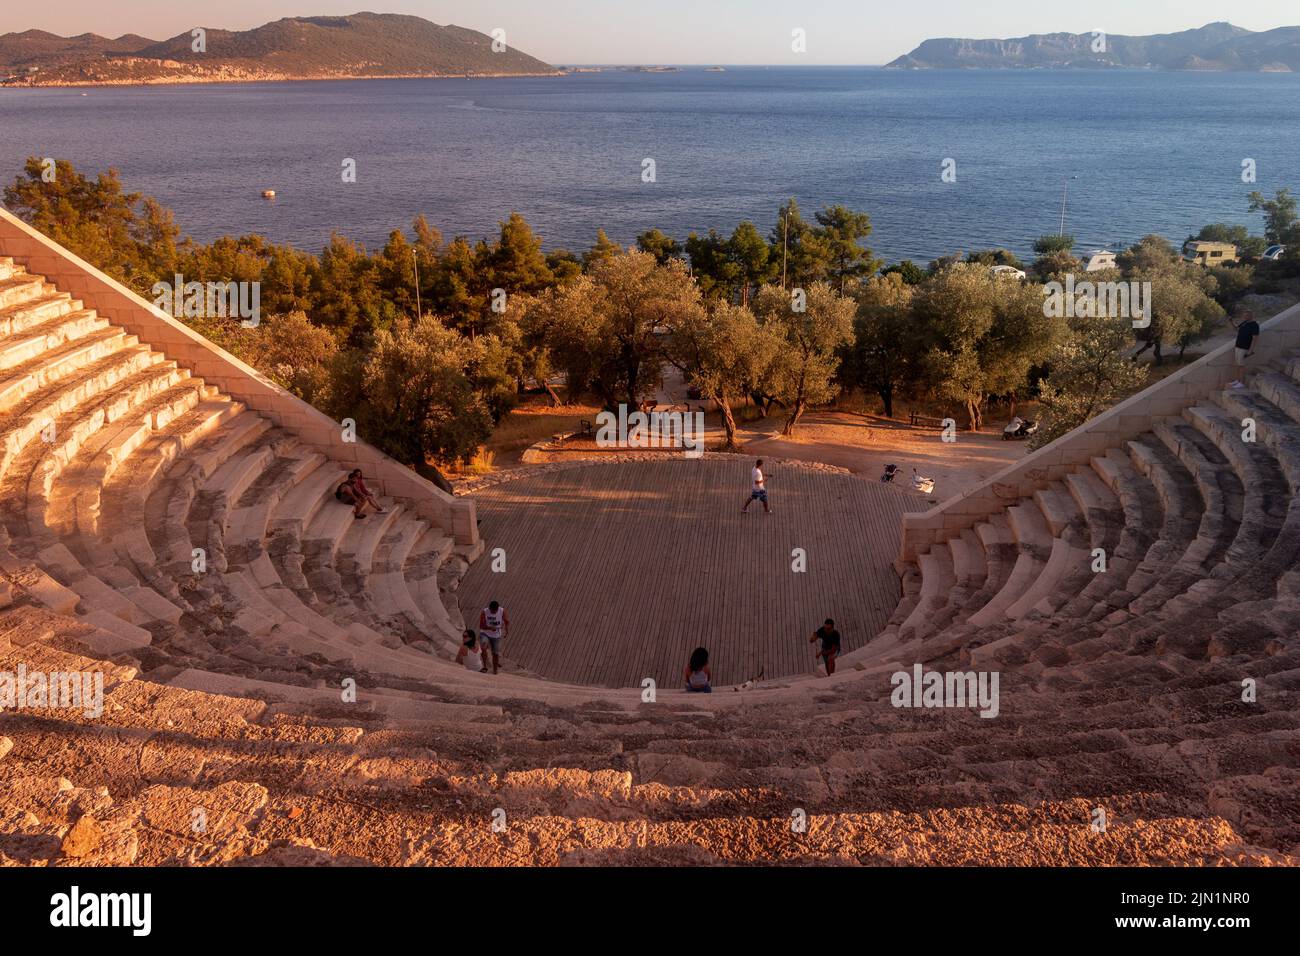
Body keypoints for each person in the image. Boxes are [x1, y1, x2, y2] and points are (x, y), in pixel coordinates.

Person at [478, 600, 508, 674]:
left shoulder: (502, 611)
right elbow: (481, 625)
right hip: (485, 633)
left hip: (496, 635)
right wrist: (491, 628)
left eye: (495, 611)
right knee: (483, 647)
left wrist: (507, 630)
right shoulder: (484, 612)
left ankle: (495, 670)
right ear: (489, 608)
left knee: (495, 653)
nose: (494, 612)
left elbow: (506, 621)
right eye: (492, 611)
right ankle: (484, 666)